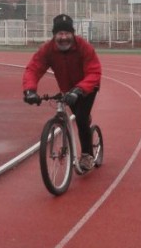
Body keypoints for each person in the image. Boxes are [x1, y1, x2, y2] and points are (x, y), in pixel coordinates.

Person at [22, 14, 102, 171]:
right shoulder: (48, 49)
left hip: (87, 87)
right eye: (60, 34)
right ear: (54, 35)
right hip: (67, 89)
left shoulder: (83, 47)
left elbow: (94, 72)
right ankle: (84, 120)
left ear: (72, 34)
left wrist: (79, 90)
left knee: (80, 118)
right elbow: (34, 68)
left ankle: (87, 155)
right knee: (77, 116)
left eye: (67, 33)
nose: (63, 37)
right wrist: (30, 90)